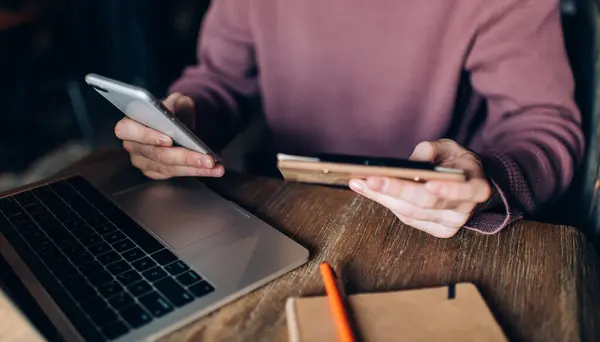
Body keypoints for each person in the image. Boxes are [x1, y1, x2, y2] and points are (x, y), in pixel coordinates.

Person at [114, 0, 584, 238]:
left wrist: (487, 180)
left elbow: (544, 126)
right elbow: (220, 78)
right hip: (276, 214)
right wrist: (181, 122)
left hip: (434, 234)